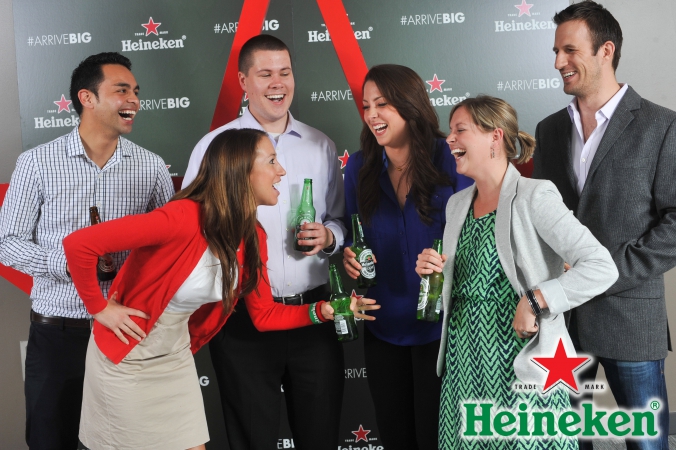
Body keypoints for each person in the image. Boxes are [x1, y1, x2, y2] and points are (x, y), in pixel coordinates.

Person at [62, 128, 378, 450]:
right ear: (241, 169)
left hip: (175, 357)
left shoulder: (253, 235)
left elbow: (264, 315)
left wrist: (323, 311)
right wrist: (99, 307)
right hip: (127, 355)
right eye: (271, 161)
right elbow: (79, 245)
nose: (281, 170)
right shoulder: (182, 216)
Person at [416, 96, 618, 449]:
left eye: (460, 130)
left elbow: (601, 267)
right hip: (463, 366)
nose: (449, 140)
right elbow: (462, 281)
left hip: (520, 366)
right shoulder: (456, 204)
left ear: (495, 137)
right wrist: (433, 271)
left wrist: (537, 299)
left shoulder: (535, 196)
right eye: (450, 131)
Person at [0, 52, 174, 449]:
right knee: (50, 440)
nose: (134, 100)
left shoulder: (151, 168)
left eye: (136, 91)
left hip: (128, 334)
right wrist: (72, 263)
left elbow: (170, 245)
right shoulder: (36, 164)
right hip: (59, 333)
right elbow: (6, 243)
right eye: (121, 90)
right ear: (87, 98)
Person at [181, 35, 347, 450]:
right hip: (242, 321)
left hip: (313, 313)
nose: (278, 83)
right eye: (266, 73)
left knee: (320, 437)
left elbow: (341, 222)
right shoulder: (215, 146)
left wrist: (330, 236)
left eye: (285, 72)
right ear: (243, 81)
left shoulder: (321, 145)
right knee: (252, 440)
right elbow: (190, 230)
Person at [532, 2, 675, 448]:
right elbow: (541, 221)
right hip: (561, 325)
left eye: (569, 50)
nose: (558, 63)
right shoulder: (549, 129)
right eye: (556, 51)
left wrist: (603, 273)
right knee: (565, 443)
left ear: (605, 51)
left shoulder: (662, 126)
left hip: (629, 318)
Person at [342, 64, 472, 449]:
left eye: (382, 104)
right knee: (396, 434)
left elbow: (480, 231)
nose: (371, 115)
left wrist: (448, 258)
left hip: (444, 327)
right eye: (366, 106)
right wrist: (351, 257)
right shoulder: (359, 167)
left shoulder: (451, 157)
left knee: (440, 437)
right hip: (383, 326)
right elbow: (356, 236)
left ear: (409, 105)